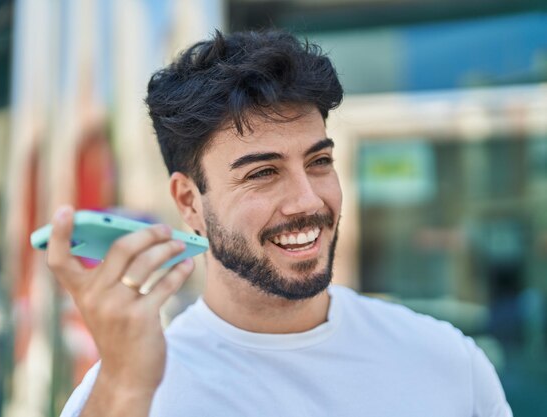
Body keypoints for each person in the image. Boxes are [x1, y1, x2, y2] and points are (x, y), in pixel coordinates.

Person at [48, 30, 512, 417]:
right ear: (189, 201)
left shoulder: (446, 362)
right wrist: (128, 391)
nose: (307, 200)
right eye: (263, 173)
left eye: (319, 161)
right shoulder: (125, 395)